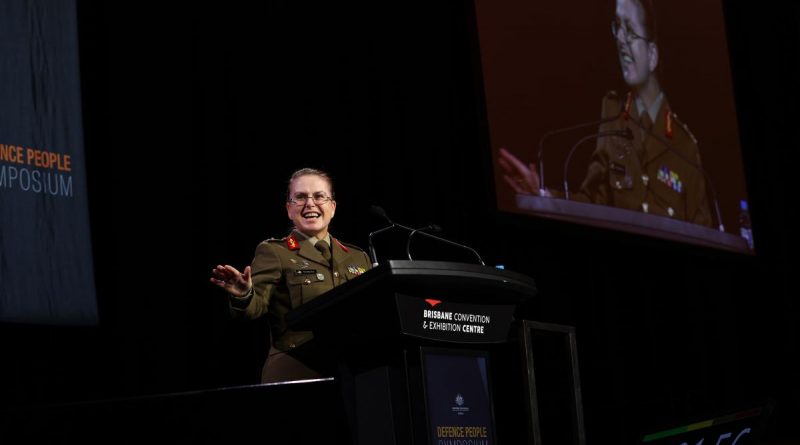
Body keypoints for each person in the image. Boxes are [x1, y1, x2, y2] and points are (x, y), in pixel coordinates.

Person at [498, 0, 713, 227]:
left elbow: (705, 231)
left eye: (629, 31)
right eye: (617, 27)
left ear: (652, 55)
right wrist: (545, 198)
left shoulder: (684, 146)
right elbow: (593, 201)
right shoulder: (613, 115)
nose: (620, 38)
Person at [210, 167, 372, 383]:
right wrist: (244, 294)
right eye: (300, 197)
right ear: (289, 209)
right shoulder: (275, 252)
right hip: (297, 369)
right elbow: (254, 308)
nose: (310, 204)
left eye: (319, 196)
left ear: (332, 207)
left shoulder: (358, 257)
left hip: (355, 373)